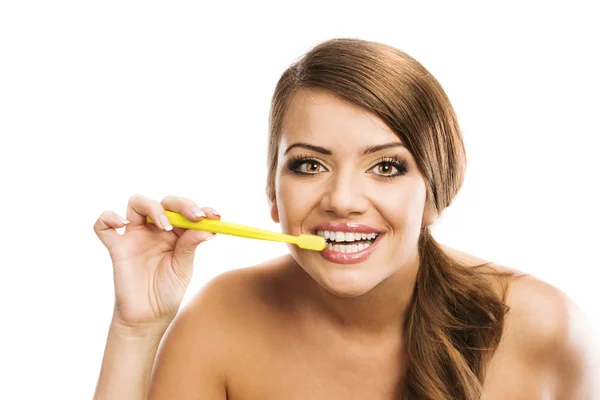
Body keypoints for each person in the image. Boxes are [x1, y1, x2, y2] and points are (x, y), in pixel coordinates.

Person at [93, 38, 597, 399]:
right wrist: (135, 328)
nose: (343, 200)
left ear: (434, 196)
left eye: (386, 167)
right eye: (310, 165)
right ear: (274, 192)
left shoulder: (545, 328)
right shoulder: (220, 321)